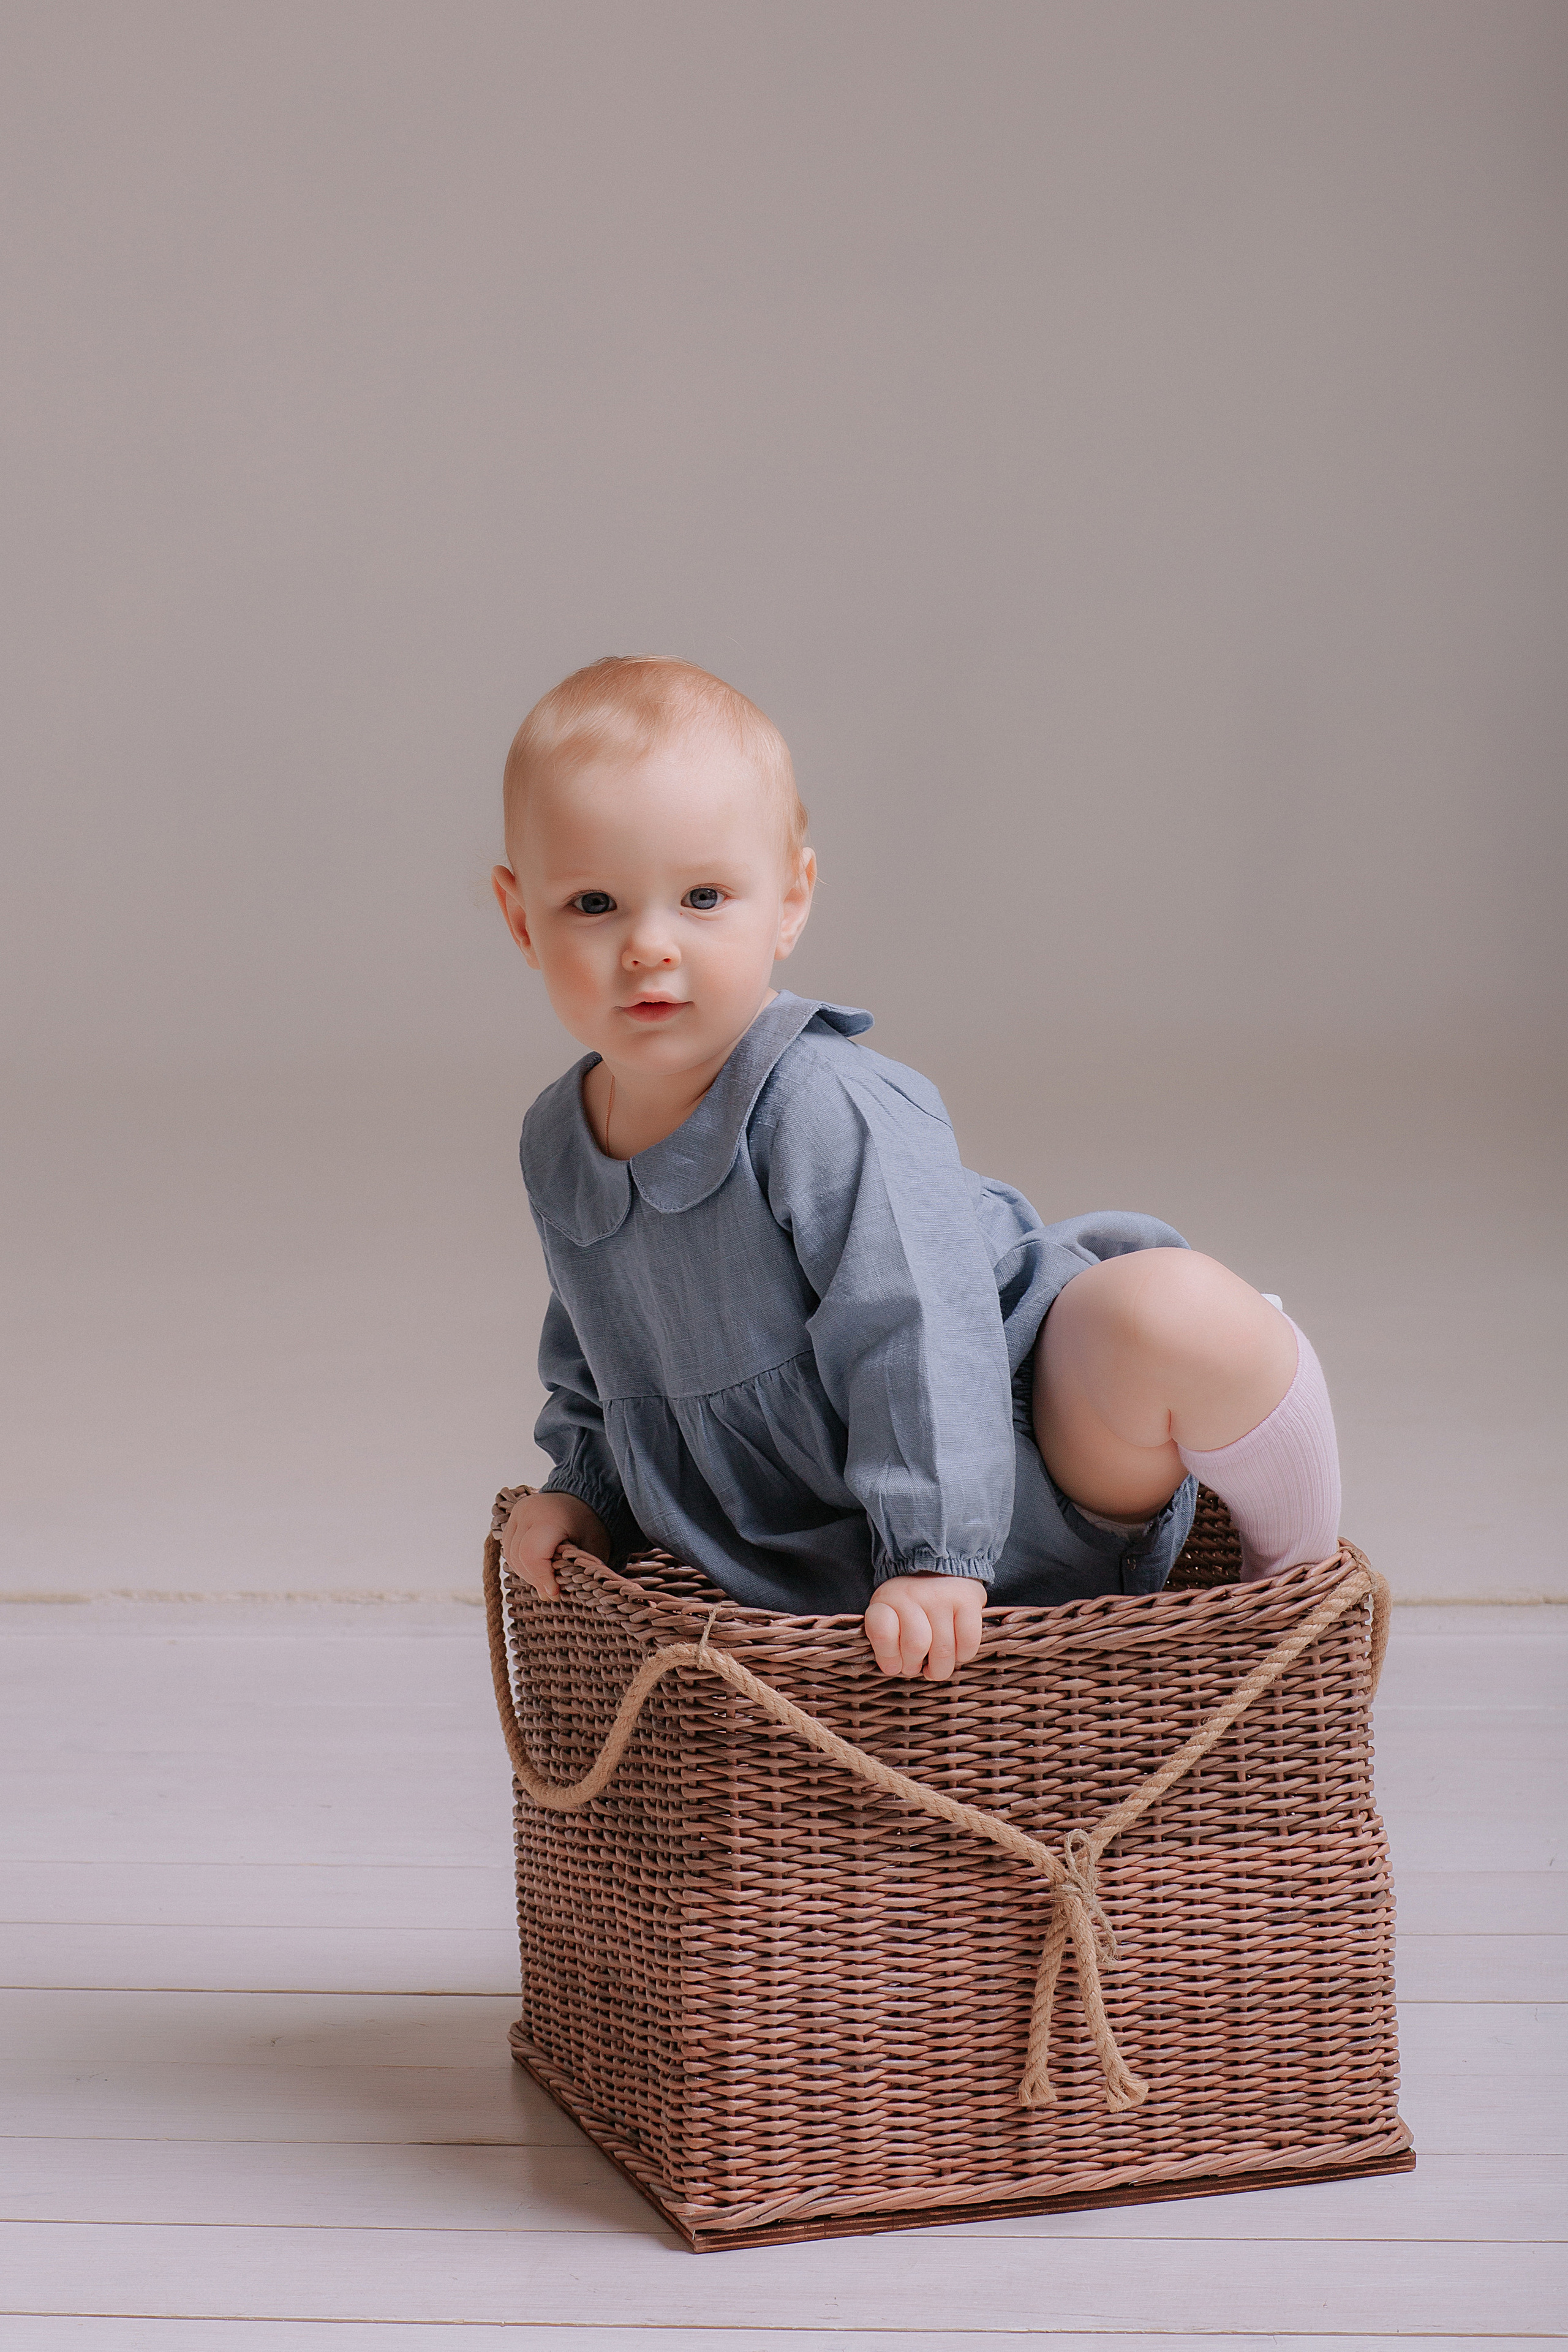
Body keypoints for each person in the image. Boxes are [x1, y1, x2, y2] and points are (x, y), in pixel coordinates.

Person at [492, 657, 1341, 1681]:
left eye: (704, 896)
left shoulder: (820, 1102)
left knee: (1172, 1312)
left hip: (1019, 1460)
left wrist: (936, 1547)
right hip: (821, 1541)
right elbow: (595, 1341)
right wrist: (583, 1485)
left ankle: (1289, 1601)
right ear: (520, 920)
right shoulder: (559, 1139)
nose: (650, 946)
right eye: (595, 903)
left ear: (791, 902)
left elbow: (918, 1325)